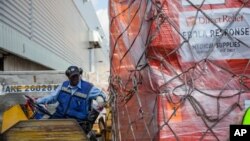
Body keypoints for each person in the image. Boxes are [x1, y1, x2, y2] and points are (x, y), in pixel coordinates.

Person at [36, 66, 106, 135]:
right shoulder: (63, 85)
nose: (75, 78)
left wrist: (100, 98)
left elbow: (102, 95)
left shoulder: (88, 88)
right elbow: (52, 97)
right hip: (59, 117)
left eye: (76, 75)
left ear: (79, 74)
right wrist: (38, 101)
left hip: (77, 122)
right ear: (68, 77)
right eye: (73, 76)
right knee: (44, 132)